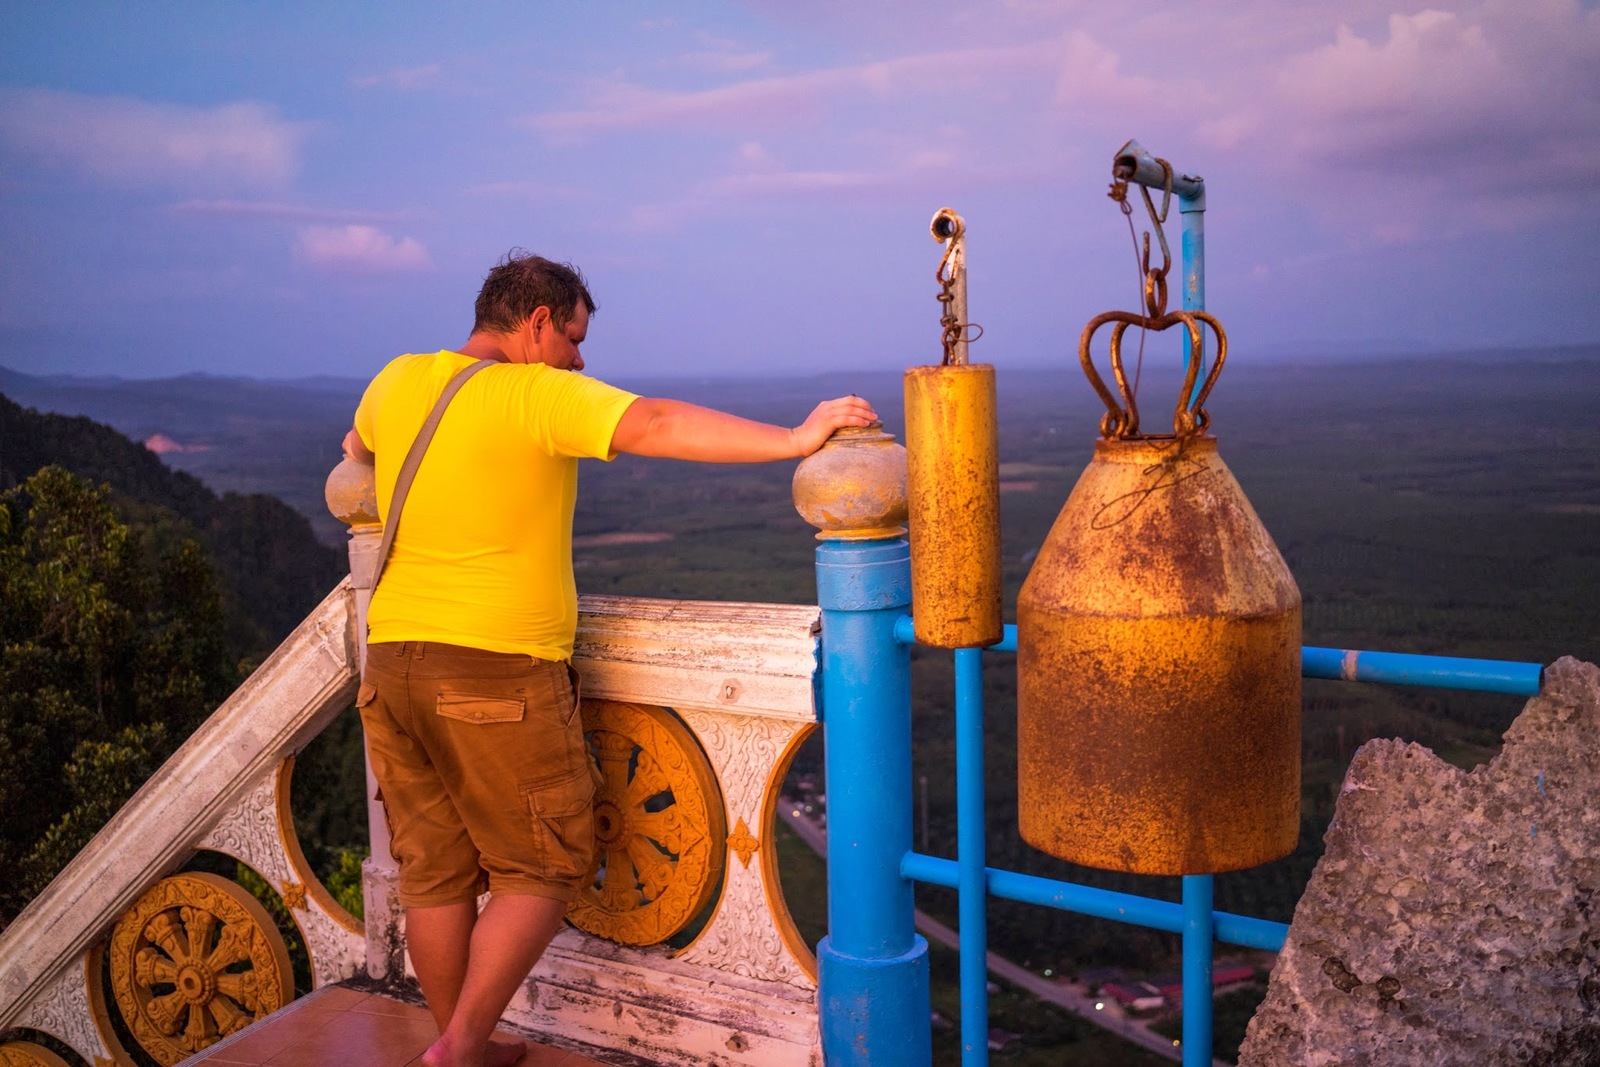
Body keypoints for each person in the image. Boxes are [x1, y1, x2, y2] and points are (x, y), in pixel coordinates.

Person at [342, 252, 876, 1067]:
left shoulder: (398, 378)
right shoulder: (534, 392)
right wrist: (798, 437)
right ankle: (457, 1051)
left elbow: (355, 447)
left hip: (392, 664)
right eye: (574, 339)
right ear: (536, 325)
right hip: (495, 669)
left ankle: (457, 1043)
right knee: (545, 864)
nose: (580, 361)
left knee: (435, 873)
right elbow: (656, 423)